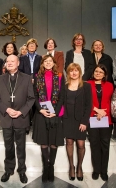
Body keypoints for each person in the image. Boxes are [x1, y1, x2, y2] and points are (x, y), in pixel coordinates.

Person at [0, 55, 35, 184]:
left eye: (12, 61)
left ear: (18, 63)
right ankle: (8, 169)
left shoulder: (27, 78)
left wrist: (21, 111)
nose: (9, 63)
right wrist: (7, 110)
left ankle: (21, 170)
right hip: (6, 118)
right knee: (8, 146)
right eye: (7, 61)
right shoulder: (0, 79)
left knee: (21, 147)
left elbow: (31, 98)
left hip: (21, 118)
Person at [55, 63, 92, 181]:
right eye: (71, 71)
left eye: (76, 70)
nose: (74, 73)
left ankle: (80, 167)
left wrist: (84, 122)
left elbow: (88, 105)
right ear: (68, 73)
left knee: (81, 144)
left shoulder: (86, 86)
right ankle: (71, 166)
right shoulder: (65, 86)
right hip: (67, 118)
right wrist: (54, 113)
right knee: (69, 142)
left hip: (81, 120)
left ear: (80, 72)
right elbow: (60, 102)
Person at [32, 55, 64, 183]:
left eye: (50, 61)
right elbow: (34, 94)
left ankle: (51, 167)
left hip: (55, 113)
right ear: (42, 63)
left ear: (54, 63)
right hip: (42, 113)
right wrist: (40, 109)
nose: (48, 63)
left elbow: (62, 95)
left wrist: (55, 112)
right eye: (46, 61)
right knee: (44, 142)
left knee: (54, 142)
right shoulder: (37, 76)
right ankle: (46, 168)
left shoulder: (60, 76)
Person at [87, 64, 114, 181]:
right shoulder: (87, 84)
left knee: (105, 145)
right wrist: (96, 110)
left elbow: (112, 102)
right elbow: (85, 101)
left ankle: (104, 171)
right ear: (93, 73)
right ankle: (96, 170)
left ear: (104, 75)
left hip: (106, 118)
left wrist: (103, 112)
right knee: (94, 144)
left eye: (100, 72)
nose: (98, 73)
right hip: (92, 117)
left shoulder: (109, 85)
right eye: (96, 71)